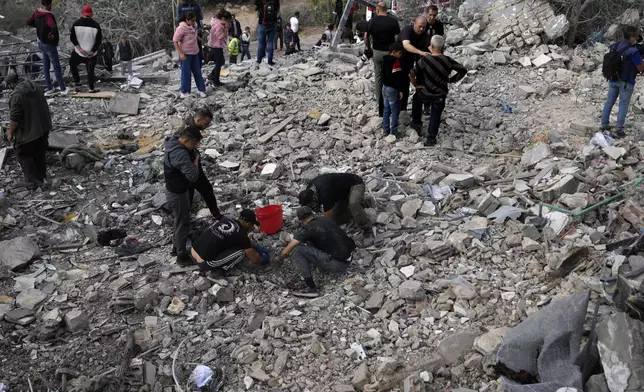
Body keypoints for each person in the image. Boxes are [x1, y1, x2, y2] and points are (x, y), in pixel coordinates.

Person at [164, 125, 222, 264]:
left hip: (176, 188)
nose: (195, 147)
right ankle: (182, 257)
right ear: (186, 141)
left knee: (180, 220)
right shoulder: (180, 154)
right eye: (194, 144)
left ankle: (176, 248)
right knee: (182, 222)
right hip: (177, 192)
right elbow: (193, 176)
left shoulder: (174, 141)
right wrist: (195, 162)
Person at [276, 206, 355, 297]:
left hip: (338, 265)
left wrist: (279, 259)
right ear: (312, 214)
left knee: (297, 249)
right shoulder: (324, 218)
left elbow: (286, 251)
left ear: (301, 220)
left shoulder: (307, 229)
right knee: (308, 241)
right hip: (348, 257)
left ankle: (311, 288)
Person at [410, 35, 466, 146]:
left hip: (426, 92)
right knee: (435, 115)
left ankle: (417, 123)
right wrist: (451, 80)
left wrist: (416, 84)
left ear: (431, 46)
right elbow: (462, 70)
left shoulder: (425, 60)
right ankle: (431, 138)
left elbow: (412, 73)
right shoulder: (448, 60)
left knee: (416, 99)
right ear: (443, 46)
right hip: (440, 93)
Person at [4, 72, 51, 190]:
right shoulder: (35, 86)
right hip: (43, 127)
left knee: (23, 155)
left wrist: (10, 133)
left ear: (11, 84)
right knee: (40, 152)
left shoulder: (17, 95)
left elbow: (14, 118)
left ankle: (32, 183)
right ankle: (40, 177)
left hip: (29, 132)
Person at [298, 173, 373, 244]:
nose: (311, 206)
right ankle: (360, 205)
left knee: (354, 204)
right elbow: (316, 209)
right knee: (337, 218)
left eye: (311, 204)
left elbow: (328, 220)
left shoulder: (324, 192)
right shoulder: (309, 190)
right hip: (342, 195)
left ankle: (367, 229)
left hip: (355, 185)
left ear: (314, 198)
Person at [601, 25, 644, 139]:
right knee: (623, 105)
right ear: (631, 37)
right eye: (636, 36)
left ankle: (604, 124)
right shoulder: (633, 51)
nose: (637, 37)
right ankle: (619, 130)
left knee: (609, 102)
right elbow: (640, 68)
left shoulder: (616, 46)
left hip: (613, 79)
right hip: (626, 81)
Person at [190, 210, 268, 271]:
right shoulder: (241, 234)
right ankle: (224, 269)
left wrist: (256, 246)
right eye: (252, 225)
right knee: (241, 252)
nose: (252, 228)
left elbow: (246, 242)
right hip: (204, 263)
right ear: (247, 224)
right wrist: (263, 260)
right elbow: (255, 259)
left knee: (226, 241)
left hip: (193, 250)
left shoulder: (226, 219)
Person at [27, 0, 69, 96]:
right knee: (56, 66)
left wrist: (39, 27)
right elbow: (52, 27)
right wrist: (52, 37)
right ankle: (62, 89)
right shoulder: (48, 16)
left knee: (45, 66)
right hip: (49, 44)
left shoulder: (36, 13)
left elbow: (29, 22)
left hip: (40, 42)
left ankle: (50, 88)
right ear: (49, 4)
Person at [366, 1, 400, 117]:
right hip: (389, 54)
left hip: (377, 52)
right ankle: (391, 103)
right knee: (391, 77)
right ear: (387, 9)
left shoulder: (372, 21)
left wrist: (368, 48)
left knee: (378, 78)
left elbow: (367, 36)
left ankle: (379, 104)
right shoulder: (393, 21)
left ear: (378, 9)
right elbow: (397, 39)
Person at [397, 15, 430, 111]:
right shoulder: (407, 30)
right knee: (402, 84)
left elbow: (431, 47)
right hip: (401, 59)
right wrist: (421, 52)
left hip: (412, 60)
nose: (422, 29)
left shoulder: (425, 34)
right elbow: (406, 45)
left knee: (413, 82)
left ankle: (414, 108)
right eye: (420, 26)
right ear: (414, 23)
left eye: (424, 27)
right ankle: (400, 109)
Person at [69, 5, 102, 93]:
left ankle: (77, 81)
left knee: (72, 64)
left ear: (82, 13)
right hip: (91, 53)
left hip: (79, 52)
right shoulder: (96, 25)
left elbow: (72, 38)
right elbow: (98, 41)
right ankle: (91, 88)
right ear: (91, 14)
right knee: (90, 71)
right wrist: (92, 51)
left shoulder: (76, 24)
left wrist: (80, 49)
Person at [173, 12, 207, 98]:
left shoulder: (194, 26)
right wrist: (181, 53)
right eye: (192, 21)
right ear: (187, 20)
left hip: (195, 52)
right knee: (186, 73)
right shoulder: (181, 28)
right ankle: (185, 92)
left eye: (195, 20)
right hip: (185, 54)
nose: (194, 22)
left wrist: (197, 38)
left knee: (198, 72)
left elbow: (193, 35)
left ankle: (201, 90)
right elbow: (175, 41)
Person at [382, 42, 406, 137]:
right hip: (392, 89)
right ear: (394, 52)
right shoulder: (395, 62)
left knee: (386, 110)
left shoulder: (384, 60)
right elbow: (396, 78)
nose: (400, 55)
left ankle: (385, 129)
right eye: (400, 53)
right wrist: (400, 90)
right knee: (395, 111)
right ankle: (394, 132)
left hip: (384, 87)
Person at [207, 9, 231, 87]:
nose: (228, 22)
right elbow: (220, 36)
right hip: (216, 46)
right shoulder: (219, 25)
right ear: (224, 18)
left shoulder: (215, 21)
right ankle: (216, 81)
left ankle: (211, 76)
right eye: (228, 20)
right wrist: (226, 29)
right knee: (218, 63)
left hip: (215, 45)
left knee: (221, 62)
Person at [254, 0, 280, 66]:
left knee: (261, 42)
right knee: (270, 42)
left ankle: (259, 60)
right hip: (272, 24)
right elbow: (277, 9)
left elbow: (255, 8)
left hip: (262, 24)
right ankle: (270, 61)